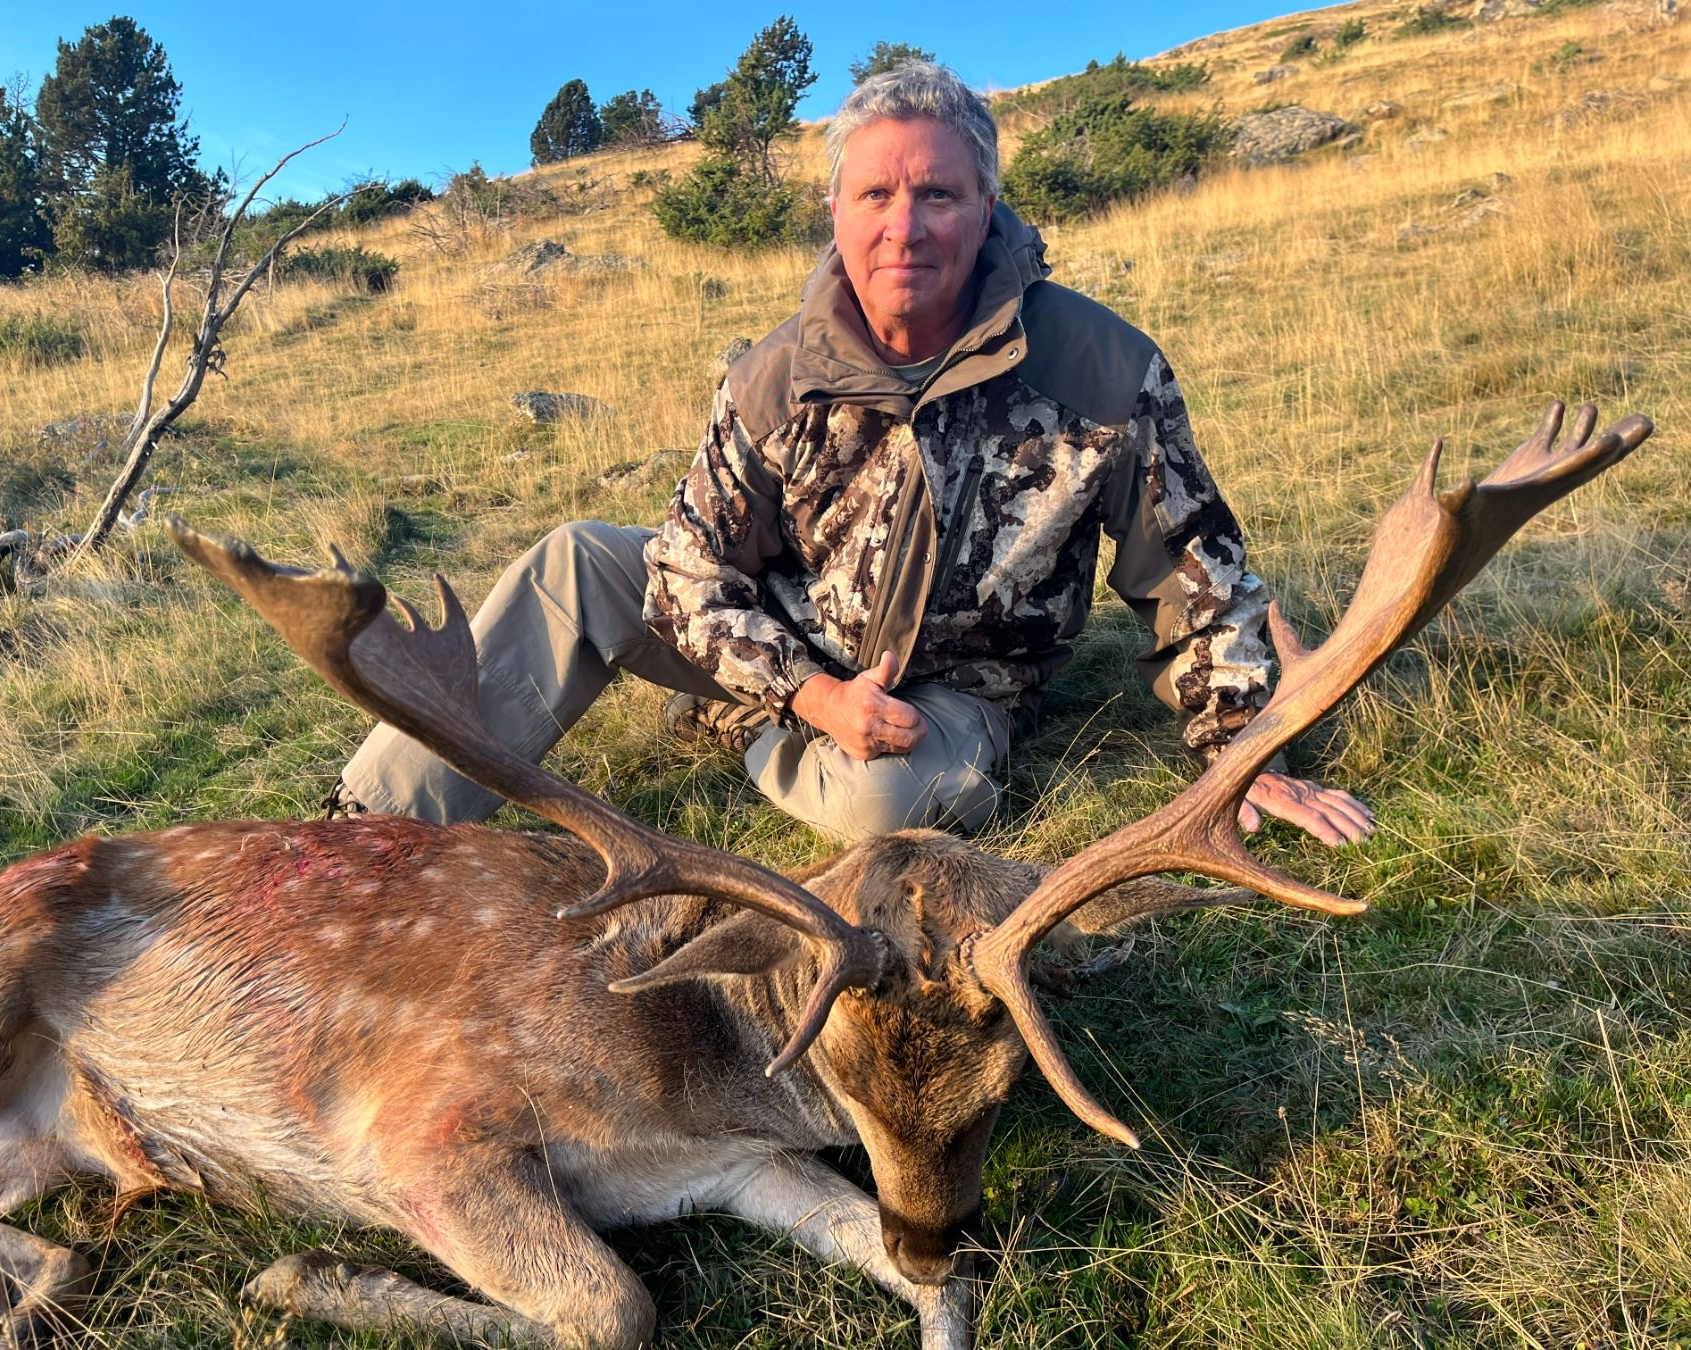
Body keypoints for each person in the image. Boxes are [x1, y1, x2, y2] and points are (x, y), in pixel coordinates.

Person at [330, 63, 1373, 849]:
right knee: (576, 563)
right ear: (836, 214)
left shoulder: (1101, 367)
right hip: (792, 637)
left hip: (950, 692)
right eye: (876, 195)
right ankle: (355, 835)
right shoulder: (775, 375)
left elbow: (1194, 573)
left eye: (937, 195)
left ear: (987, 208)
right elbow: (687, 566)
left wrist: (1243, 754)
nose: (904, 228)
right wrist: (806, 692)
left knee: (884, 809)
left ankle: (735, 719)